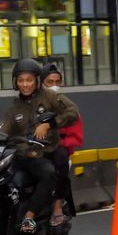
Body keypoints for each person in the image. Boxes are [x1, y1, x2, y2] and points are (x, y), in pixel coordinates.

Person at [0, 58, 79, 234]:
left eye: (29, 80)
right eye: (20, 80)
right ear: (15, 83)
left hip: (49, 149)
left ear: (37, 81)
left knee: (56, 165)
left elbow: (72, 112)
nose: (25, 84)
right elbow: (3, 130)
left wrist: (50, 124)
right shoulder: (15, 107)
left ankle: (36, 215)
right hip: (28, 154)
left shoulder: (49, 96)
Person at [40, 63, 83, 225]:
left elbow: (76, 137)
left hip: (59, 148)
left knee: (60, 163)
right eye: (50, 82)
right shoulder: (32, 103)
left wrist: (58, 143)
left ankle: (57, 207)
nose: (54, 86)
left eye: (57, 82)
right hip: (35, 149)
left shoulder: (68, 107)